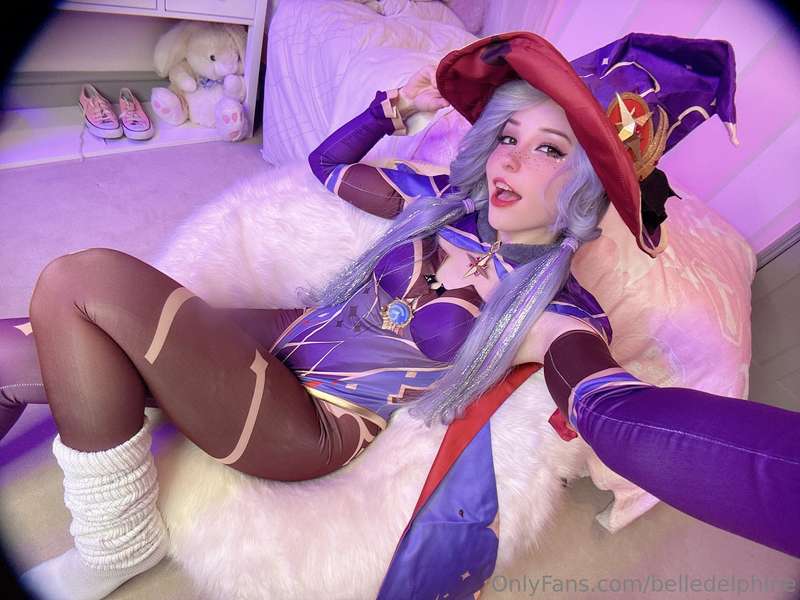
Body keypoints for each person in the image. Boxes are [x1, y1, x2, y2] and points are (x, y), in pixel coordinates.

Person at [0, 30, 796, 600]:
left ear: (589, 187)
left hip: (309, 423)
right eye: (509, 133)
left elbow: (617, 412)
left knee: (82, 280)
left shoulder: (555, 309)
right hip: (276, 340)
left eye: (551, 149)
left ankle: (117, 543)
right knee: (9, 351)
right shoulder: (435, 202)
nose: (510, 158)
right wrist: (390, 109)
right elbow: (327, 167)